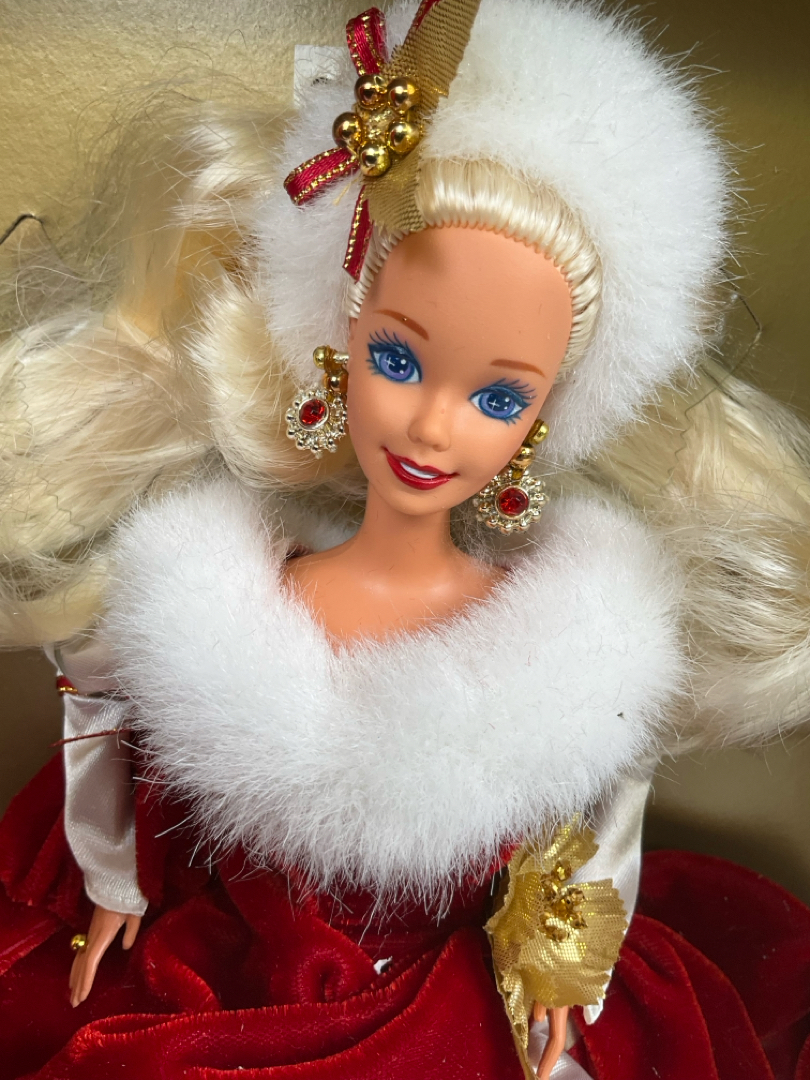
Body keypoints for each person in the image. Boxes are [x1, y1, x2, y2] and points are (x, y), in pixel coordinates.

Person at [1, 0, 810, 1077]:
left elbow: (602, 825)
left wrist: (562, 964)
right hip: (230, 981)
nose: (432, 426)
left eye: (498, 397)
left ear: (546, 420)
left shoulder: (577, 650)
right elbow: (100, 717)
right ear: (336, 343)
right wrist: (113, 882)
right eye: (397, 360)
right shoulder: (207, 600)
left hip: (450, 1000)